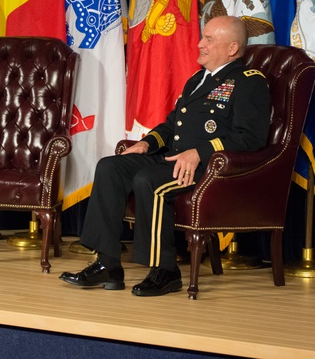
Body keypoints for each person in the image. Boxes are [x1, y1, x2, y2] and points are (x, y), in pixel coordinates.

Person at [59, 15, 271, 296]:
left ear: (232, 48)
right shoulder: (198, 79)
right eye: (202, 37)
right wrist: (147, 143)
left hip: (209, 168)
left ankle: (165, 270)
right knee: (111, 167)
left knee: (149, 180)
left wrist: (200, 152)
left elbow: (250, 138)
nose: (200, 44)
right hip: (173, 158)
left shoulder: (248, 82)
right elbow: (172, 125)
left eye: (208, 39)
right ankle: (107, 264)